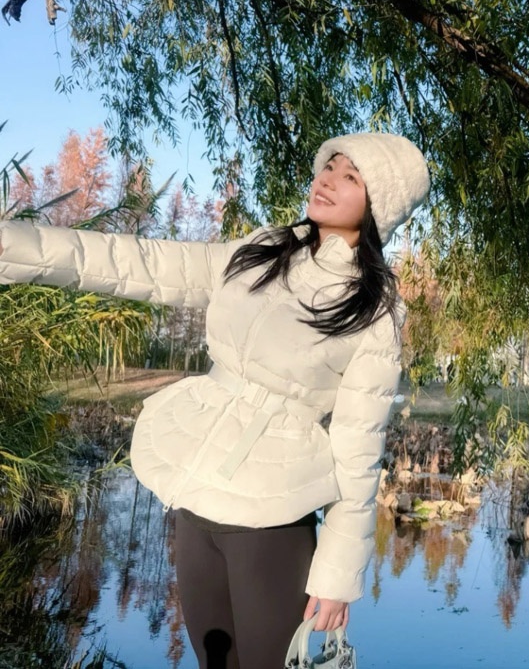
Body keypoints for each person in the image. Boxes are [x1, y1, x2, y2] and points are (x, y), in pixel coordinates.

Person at [0, 132, 429, 668]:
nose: (327, 180)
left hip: (272, 520)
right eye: (329, 166)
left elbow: (359, 446)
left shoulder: (373, 308)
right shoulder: (263, 250)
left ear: (378, 204)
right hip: (197, 502)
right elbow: (144, 262)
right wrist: (12, 247)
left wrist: (338, 576)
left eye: (350, 177)